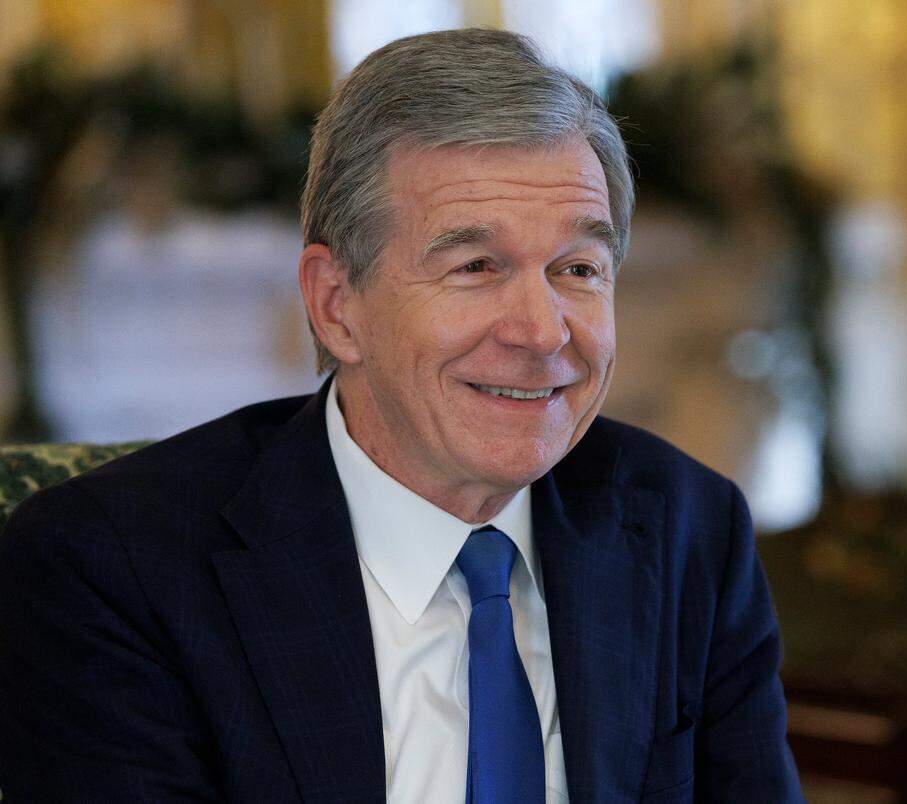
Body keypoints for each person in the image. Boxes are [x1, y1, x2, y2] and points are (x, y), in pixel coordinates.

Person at [0, 29, 802, 802]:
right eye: (475, 267)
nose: (543, 329)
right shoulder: (117, 569)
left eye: (579, 268)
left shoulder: (688, 528)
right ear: (336, 306)